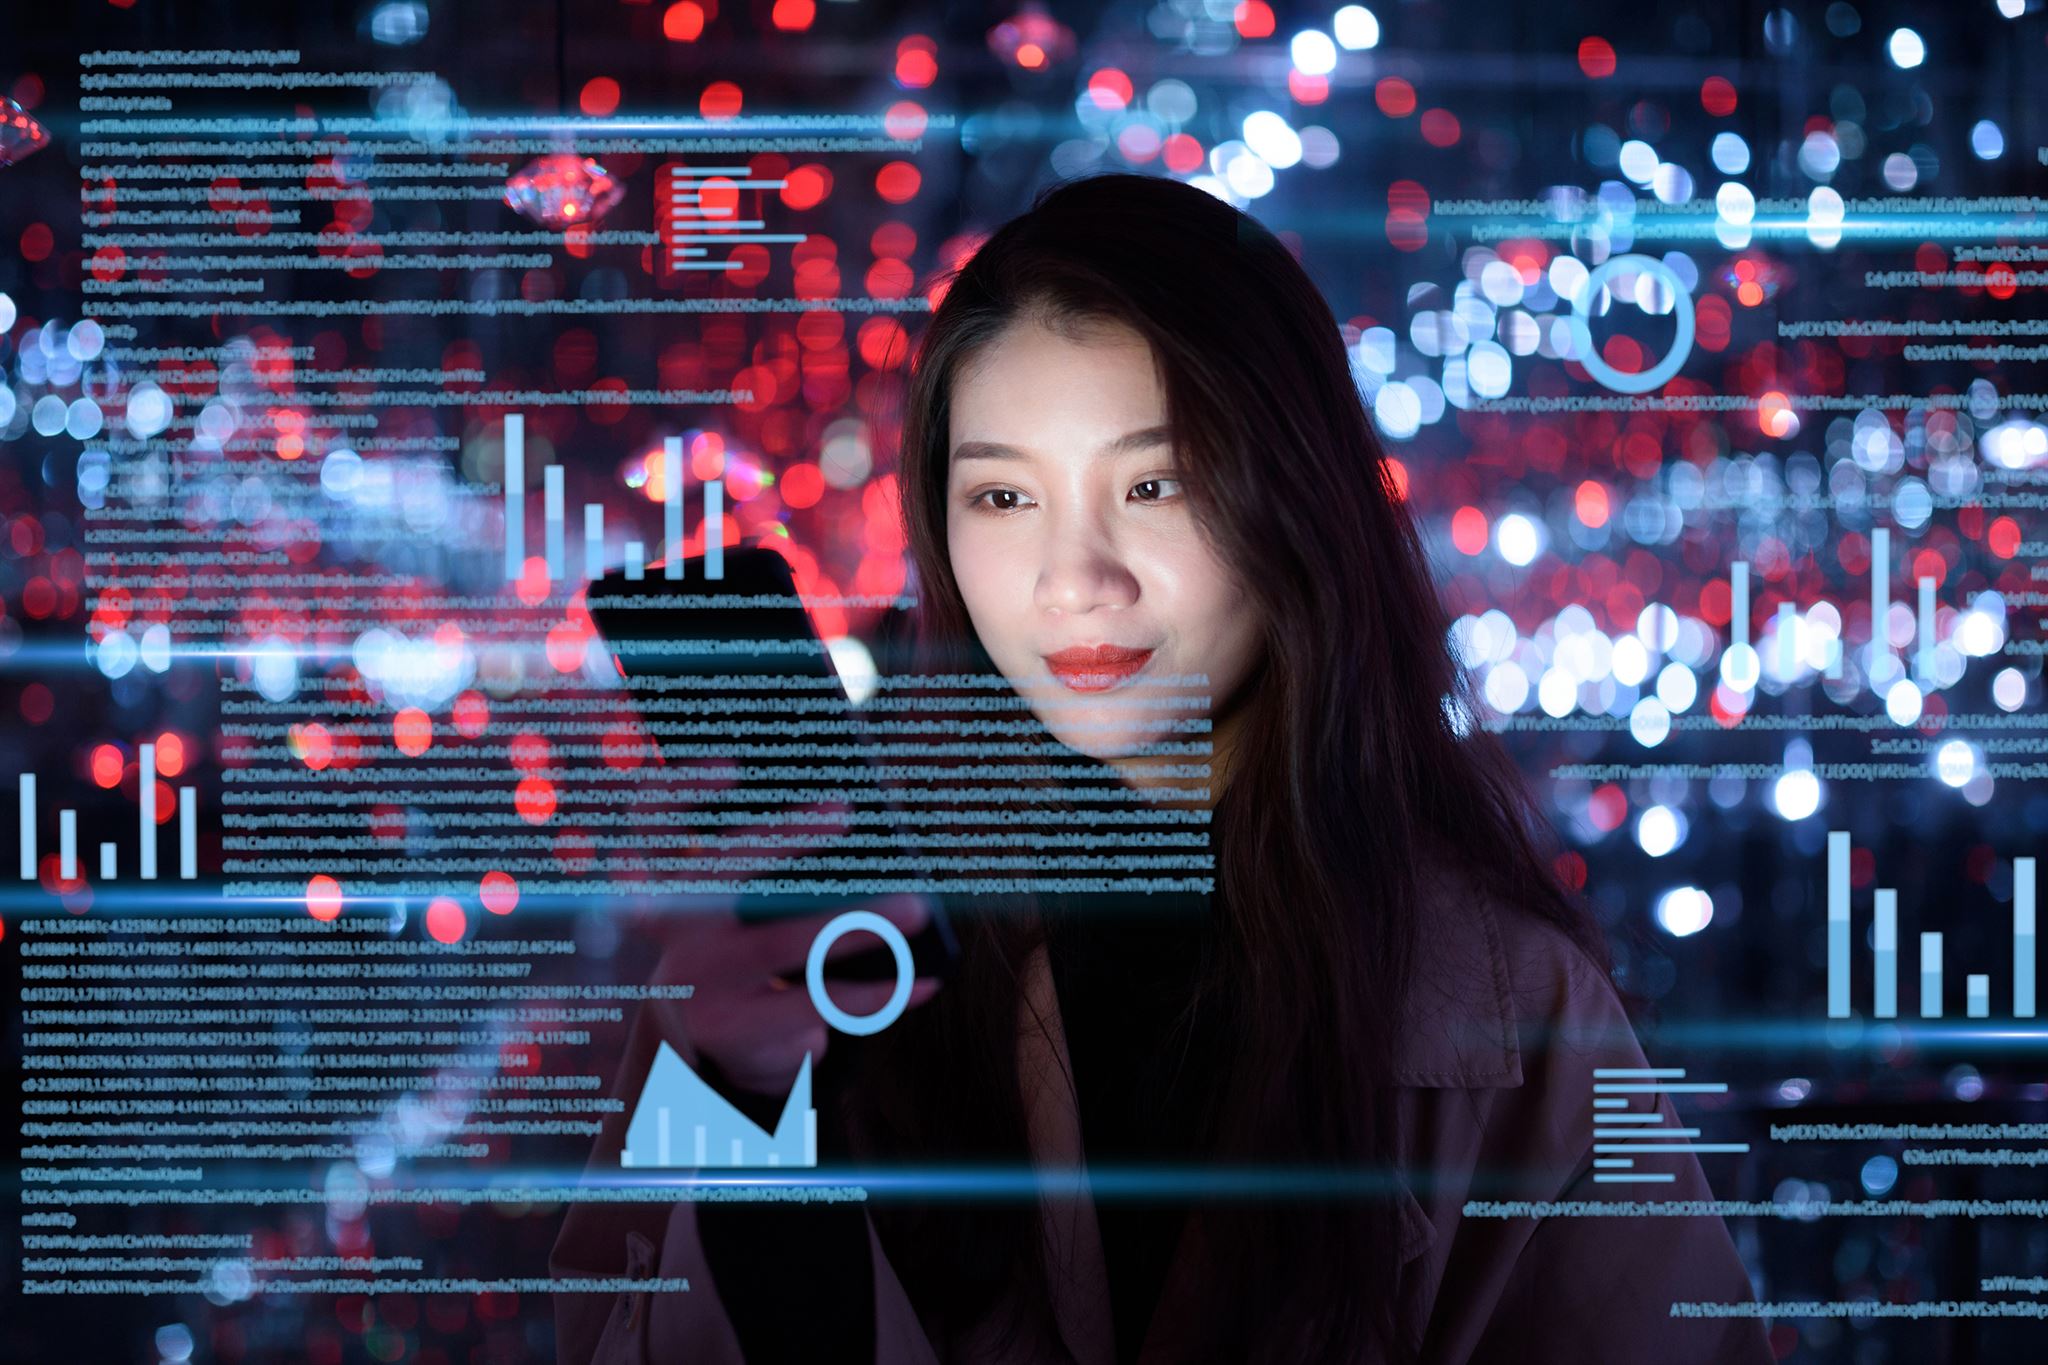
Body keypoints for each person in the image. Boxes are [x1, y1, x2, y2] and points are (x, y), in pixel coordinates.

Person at [552, 172, 1772, 1364]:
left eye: (1153, 482)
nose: (1075, 577)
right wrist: (747, 1111)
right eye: (1001, 495)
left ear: (1291, 496)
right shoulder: (836, 943)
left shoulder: (1508, 1013)